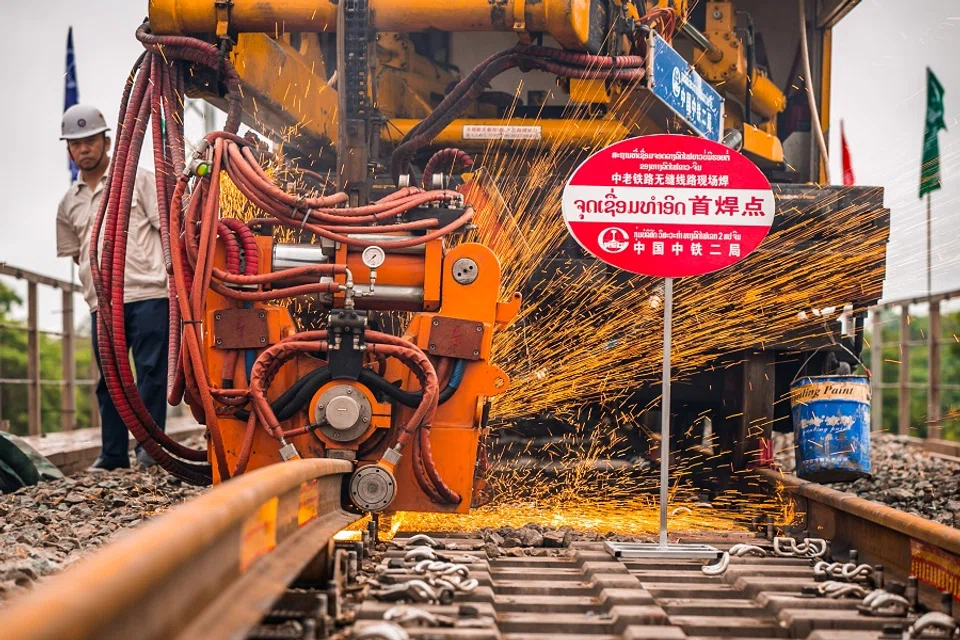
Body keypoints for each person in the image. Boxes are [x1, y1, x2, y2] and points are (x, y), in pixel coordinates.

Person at [56, 104, 170, 470]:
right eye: (76, 144)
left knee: (151, 374)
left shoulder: (138, 180)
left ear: (106, 142)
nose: (84, 149)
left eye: (90, 141)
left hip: (149, 293)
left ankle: (150, 453)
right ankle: (113, 455)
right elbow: (77, 255)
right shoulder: (68, 203)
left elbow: (165, 228)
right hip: (102, 303)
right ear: (68, 150)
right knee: (110, 380)